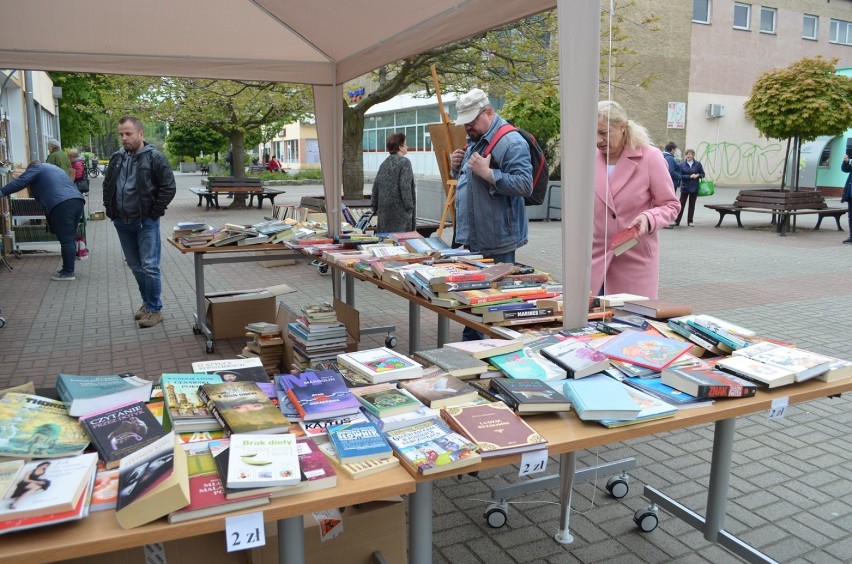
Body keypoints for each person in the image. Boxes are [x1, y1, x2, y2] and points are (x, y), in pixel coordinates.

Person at [450, 88, 533, 340]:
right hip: (474, 238)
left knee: (494, 306)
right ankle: (473, 346)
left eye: (471, 121)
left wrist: (489, 174)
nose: (467, 127)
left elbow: (524, 185)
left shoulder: (510, 142)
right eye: (464, 123)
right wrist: (457, 169)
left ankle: (489, 352)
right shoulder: (477, 138)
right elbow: (471, 183)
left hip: (497, 240)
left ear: (488, 112)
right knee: (475, 303)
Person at [594, 100, 680, 299]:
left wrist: (650, 218)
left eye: (604, 133)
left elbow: (671, 204)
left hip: (634, 259)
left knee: (631, 324)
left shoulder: (650, 157)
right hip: (594, 260)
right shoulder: (588, 159)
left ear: (622, 126)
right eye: (594, 133)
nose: (598, 140)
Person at [103, 116, 176, 328]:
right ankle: (147, 303)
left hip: (145, 223)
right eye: (121, 134)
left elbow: (168, 188)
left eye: (128, 134)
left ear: (140, 134)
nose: (124, 138)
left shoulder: (155, 157)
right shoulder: (117, 157)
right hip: (122, 221)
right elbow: (108, 185)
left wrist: (154, 212)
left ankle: (155, 310)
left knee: (150, 266)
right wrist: (111, 211)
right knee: (135, 266)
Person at [0, 162, 85, 280]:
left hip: (62, 204)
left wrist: (2, 192)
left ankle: (68, 272)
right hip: (77, 200)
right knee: (69, 238)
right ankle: (68, 269)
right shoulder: (53, 168)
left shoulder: (36, 168)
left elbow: (19, 182)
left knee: (66, 240)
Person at [371, 132, 416, 233]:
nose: (407, 146)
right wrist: (409, 207)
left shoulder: (384, 164)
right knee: (400, 243)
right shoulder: (405, 162)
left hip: (384, 213)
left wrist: (374, 206)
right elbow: (405, 187)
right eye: (406, 144)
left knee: (385, 241)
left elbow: (376, 187)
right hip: (401, 212)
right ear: (400, 147)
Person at [672, 149, 705, 228]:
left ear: (693, 155)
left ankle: (690, 221)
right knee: (681, 205)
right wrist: (689, 176)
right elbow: (680, 176)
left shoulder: (698, 164)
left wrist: (698, 175)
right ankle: (677, 221)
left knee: (692, 205)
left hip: (694, 187)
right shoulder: (681, 164)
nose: (688, 156)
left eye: (690, 154)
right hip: (685, 187)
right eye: (687, 154)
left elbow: (703, 174)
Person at [841, 154, 852, 244]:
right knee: (851, 217)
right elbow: (845, 169)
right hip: (851, 195)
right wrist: (846, 161)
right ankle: (851, 236)